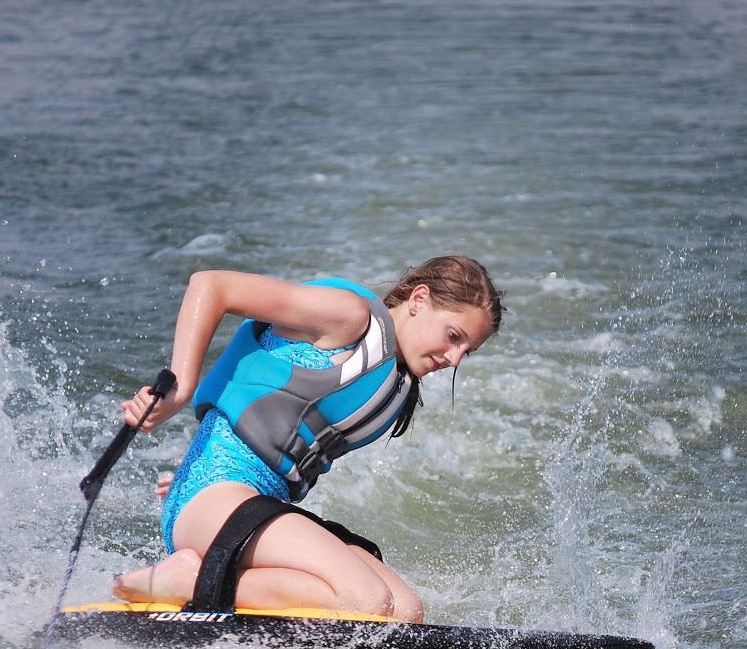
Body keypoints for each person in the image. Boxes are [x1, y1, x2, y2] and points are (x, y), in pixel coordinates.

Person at [109, 255, 503, 623]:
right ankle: (186, 581)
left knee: (405, 612)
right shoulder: (349, 318)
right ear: (419, 300)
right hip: (214, 488)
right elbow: (212, 285)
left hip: (253, 503)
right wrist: (181, 386)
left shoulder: (397, 383)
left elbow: (277, 434)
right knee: (365, 599)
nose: (455, 358)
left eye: (467, 350)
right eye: (454, 336)